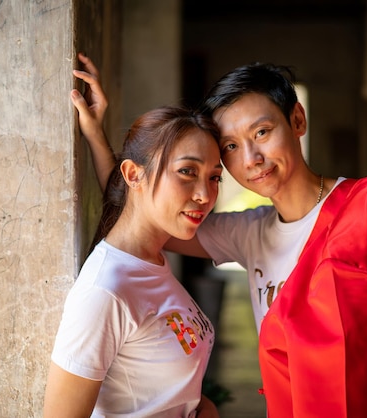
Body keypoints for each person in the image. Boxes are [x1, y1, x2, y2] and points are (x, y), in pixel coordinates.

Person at [72, 53, 367, 417]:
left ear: (297, 120)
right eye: (231, 145)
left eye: (262, 132)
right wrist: (95, 133)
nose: (251, 159)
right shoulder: (249, 233)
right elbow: (145, 208)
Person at [43, 65, 224, 416]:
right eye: (187, 171)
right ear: (132, 174)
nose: (205, 194)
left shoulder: (152, 260)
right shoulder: (105, 291)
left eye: (215, 177)